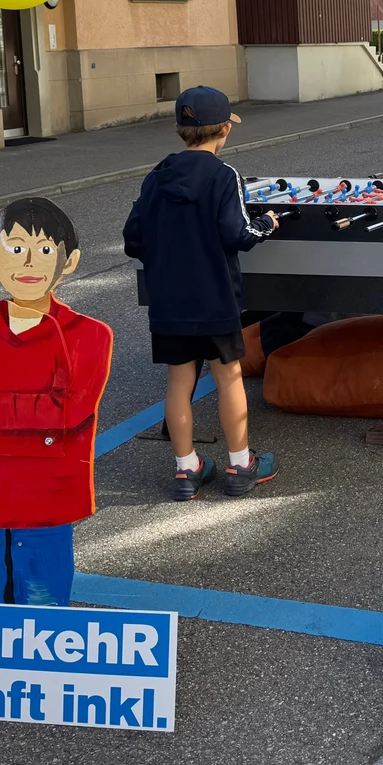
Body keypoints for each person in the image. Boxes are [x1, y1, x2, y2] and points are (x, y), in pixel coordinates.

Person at [0, 198, 113, 605]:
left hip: (46, 493)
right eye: (14, 249)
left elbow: (66, 411)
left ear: (70, 261)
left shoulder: (88, 336)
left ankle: (39, 667)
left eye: (45, 251)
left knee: (43, 602)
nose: (28, 264)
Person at [124, 86, 281, 500]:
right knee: (228, 376)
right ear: (225, 129)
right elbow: (238, 233)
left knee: (179, 380)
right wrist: (266, 224)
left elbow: (132, 239)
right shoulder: (224, 175)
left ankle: (186, 469)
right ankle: (240, 463)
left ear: (180, 129)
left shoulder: (156, 176)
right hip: (214, 297)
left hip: (168, 301)